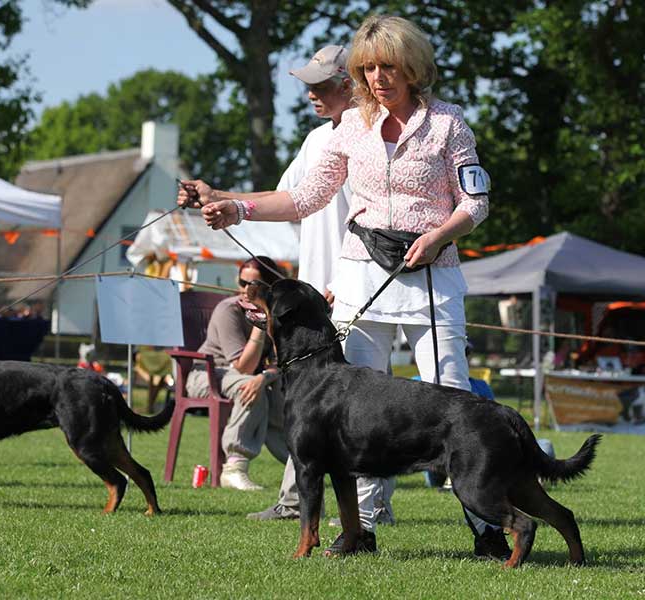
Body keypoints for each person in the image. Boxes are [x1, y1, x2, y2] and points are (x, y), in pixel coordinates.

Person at [178, 14, 509, 560]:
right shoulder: (350, 126)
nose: (378, 78)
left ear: (414, 68)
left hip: (434, 276)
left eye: (389, 67)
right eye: (369, 68)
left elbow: (476, 203)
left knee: (457, 402)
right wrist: (237, 208)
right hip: (362, 275)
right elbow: (304, 197)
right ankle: (362, 529)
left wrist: (438, 234)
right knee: (358, 412)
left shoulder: (450, 124)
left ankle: (487, 530)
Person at [246, 44, 353, 522]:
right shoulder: (314, 141)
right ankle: (294, 501)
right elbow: (287, 198)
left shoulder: (368, 135)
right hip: (313, 295)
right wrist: (224, 199)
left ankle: (370, 511)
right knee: (307, 403)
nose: (311, 92)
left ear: (351, 83)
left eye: (323, 83)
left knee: (357, 410)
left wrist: (340, 282)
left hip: (349, 290)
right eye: (308, 83)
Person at [185, 256, 287, 491]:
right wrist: (259, 326)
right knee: (249, 387)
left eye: (254, 285)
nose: (246, 290)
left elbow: (279, 362)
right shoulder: (228, 309)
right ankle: (234, 467)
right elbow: (243, 367)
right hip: (207, 374)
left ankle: (298, 462)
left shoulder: (276, 314)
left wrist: (265, 377)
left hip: (248, 376)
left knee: (277, 391)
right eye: (243, 283)